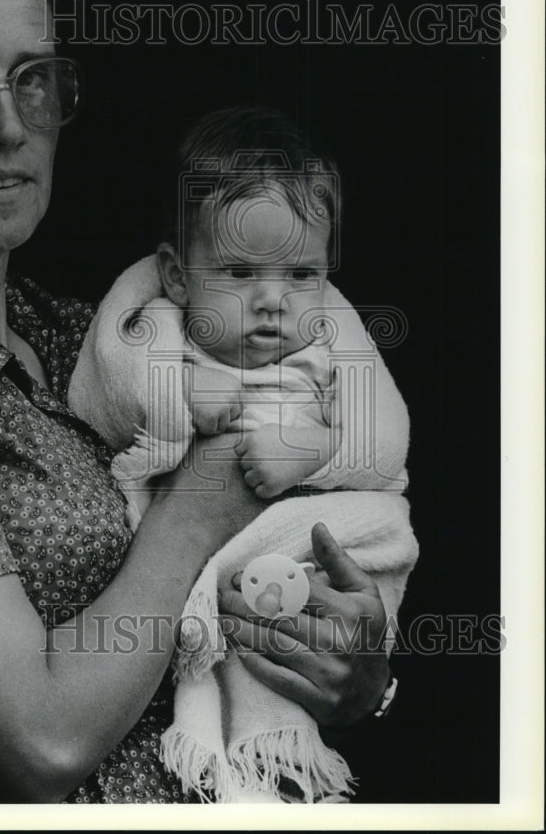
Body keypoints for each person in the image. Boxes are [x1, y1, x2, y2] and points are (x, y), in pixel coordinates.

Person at [0, 0, 394, 805]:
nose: (6, 127)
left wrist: (347, 672)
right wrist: (203, 501)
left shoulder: (87, 334)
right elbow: (40, 741)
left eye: (32, 82)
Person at [66, 107, 416, 801]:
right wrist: (177, 398)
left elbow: (383, 447)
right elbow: (97, 393)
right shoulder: (154, 319)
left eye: (299, 274)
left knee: (327, 600)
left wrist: (309, 453)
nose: (270, 302)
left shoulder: (330, 335)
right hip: (178, 567)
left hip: (312, 542)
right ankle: (218, 743)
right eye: (236, 271)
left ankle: (264, 753)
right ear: (175, 273)